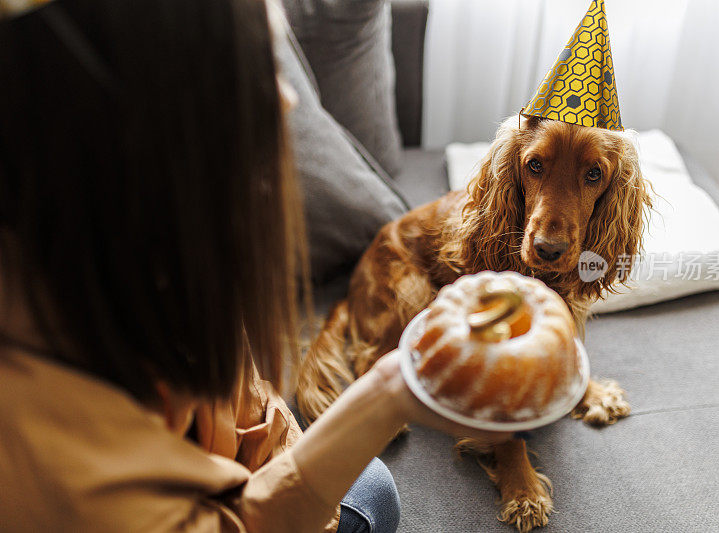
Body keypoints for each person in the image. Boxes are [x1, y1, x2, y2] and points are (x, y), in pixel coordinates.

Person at [0, 0, 510, 531]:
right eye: (258, 69)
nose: (288, 101)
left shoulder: (159, 246)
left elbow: (251, 417)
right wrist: (385, 398)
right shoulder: (49, 459)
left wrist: (388, 388)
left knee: (369, 485)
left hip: (219, 477)